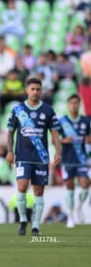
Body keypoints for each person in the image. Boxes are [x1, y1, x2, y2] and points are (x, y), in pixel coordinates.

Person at [6, 77, 61, 236]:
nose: (35, 92)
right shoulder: (18, 110)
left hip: (41, 157)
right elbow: (10, 132)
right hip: (22, 155)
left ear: (41, 91)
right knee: (22, 187)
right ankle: (23, 220)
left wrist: (58, 151)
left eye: (38, 89)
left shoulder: (48, 110)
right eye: (32, 89)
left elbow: (55, 134)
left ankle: (36, 226)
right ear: (26, 90)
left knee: (39, 192)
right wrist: (10, 151)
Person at [58, 94, 91, 228]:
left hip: (82, 159)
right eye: (71, 103)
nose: (74, 105)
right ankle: (70, 217)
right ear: (68, 105)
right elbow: (55, 139)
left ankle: (79, 206)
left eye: (76, 103)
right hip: (67, 160)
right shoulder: (63, 121)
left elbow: (88, 137)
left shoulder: (85, 120)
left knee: (85, 185)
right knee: (70, 188)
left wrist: (88, 141)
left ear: (79, 104)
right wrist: (64, 140)